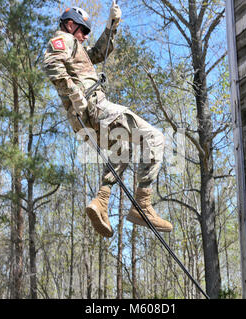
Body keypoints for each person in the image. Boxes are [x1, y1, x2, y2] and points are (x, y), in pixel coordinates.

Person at [43, 2, 172, 238]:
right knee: (155, 137)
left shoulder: (77, 48)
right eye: (82, 30)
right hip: (93, 106)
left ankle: (101, 200)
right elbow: (51, 65)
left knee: (121, 147)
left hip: (85, 117)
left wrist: (113, 25)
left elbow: (99, 53)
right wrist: (75, 94)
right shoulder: (64, 40)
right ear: (70, 25)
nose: (84, 36)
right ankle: (142, 204)